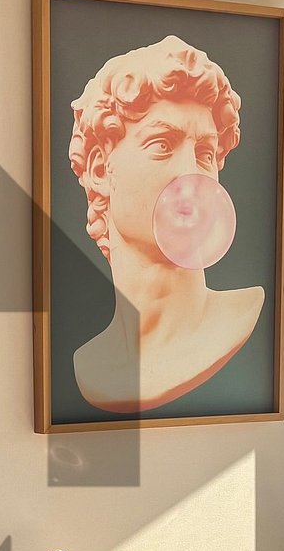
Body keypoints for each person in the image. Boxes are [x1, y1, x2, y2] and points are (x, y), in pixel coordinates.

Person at [67, 35, 262, 413]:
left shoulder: (242, 318)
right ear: (99, 170)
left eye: (205, 153)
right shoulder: (93, 365)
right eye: (162, 145)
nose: (191, 174)